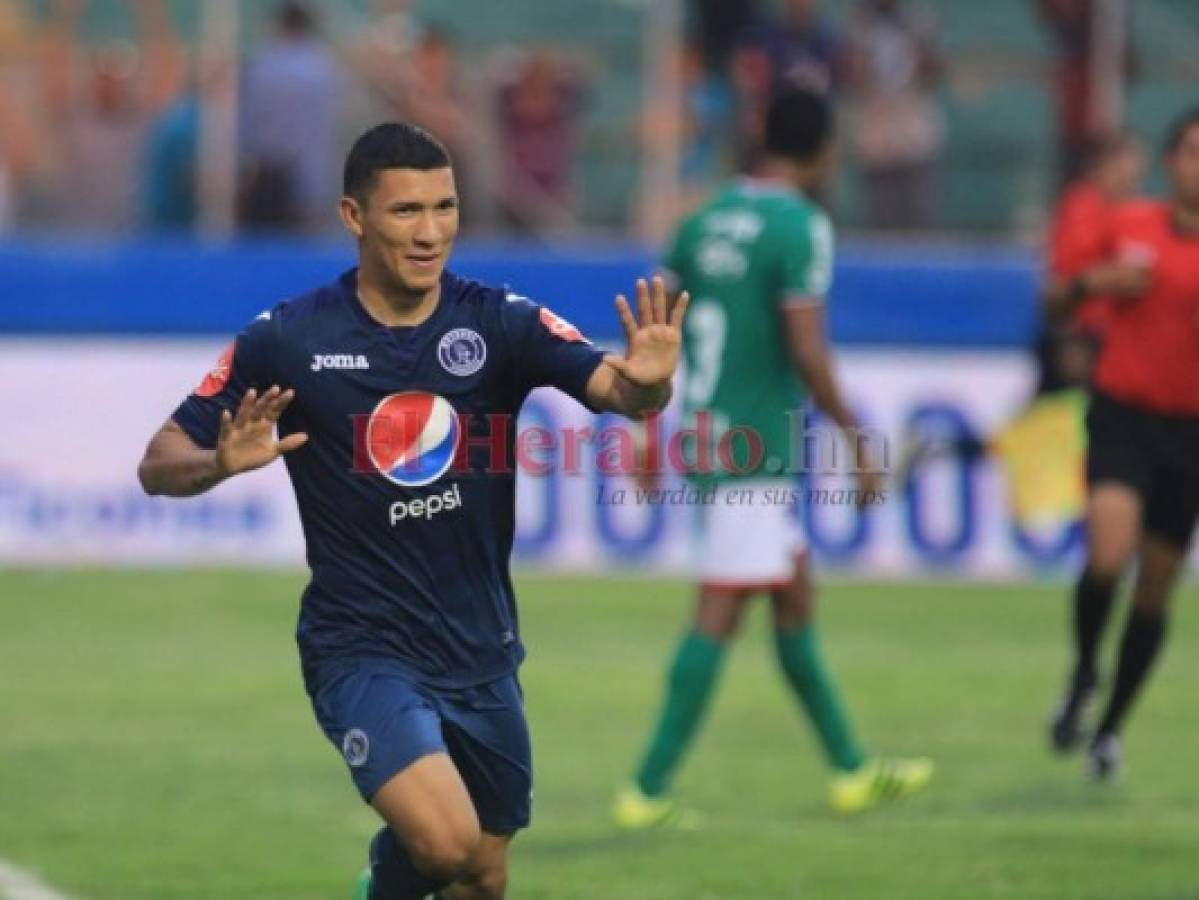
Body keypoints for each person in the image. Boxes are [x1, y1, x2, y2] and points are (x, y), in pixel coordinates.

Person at [137, 122, 689, 900]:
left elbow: (620, 393)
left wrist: (653, 385)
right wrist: (217, 464)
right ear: (353, 217)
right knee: (444, 842)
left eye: (445, 207)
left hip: (480, 646)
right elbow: (158, 464)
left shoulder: (499, 321)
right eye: (405, 212)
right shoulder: (289, 339)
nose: (430, 234)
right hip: (359, 645)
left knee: (482, 876)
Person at [613, 87, 932, 828]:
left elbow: (652, 328)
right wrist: (857, 437)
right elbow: (806, 348)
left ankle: (851, 769)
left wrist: (641, 430)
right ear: (824, 150)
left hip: (707, 430)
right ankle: (645, 789)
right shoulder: (801, 226)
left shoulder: (702, 217)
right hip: (753, 443)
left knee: (790, 598)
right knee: (718, 608)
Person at [1047, 107, 1199, 780]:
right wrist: (1089, 285)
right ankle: (1083, 670)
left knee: (1155, 589)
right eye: (1192, 150)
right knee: (1107, 554)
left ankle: (1109, 727)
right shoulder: (1128, 227)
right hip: (1122, 415)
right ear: (1170, 162)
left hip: (1189, 432)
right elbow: (1056, 303)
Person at [844, 0, 943, 231]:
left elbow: (933, 74)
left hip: (912, 127)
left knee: (919, 214)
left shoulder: (919, 20)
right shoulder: (860, 26)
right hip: (876, 128)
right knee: (882, 216)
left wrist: (923, 47)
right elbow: (854, 79)